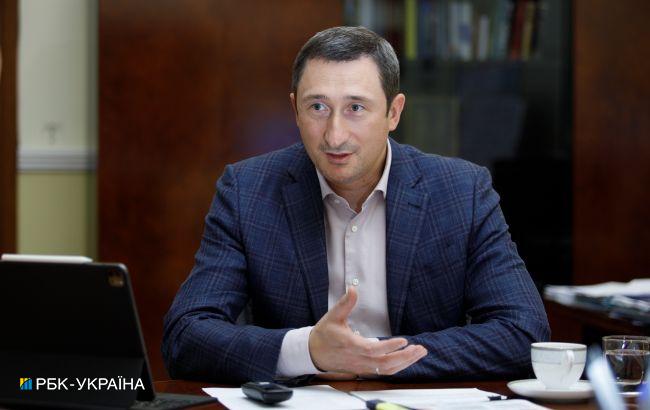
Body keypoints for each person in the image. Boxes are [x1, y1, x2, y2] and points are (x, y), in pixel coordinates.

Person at [162, 26, 549, 383]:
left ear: (393, 112)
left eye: (356, 108)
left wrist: (376, 358)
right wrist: (309, 351)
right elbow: (186, 335)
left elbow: (524, 332)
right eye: (317, 107)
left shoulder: (461, 192)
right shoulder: (248, 191)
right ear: (295, 110)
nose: (335, 135)